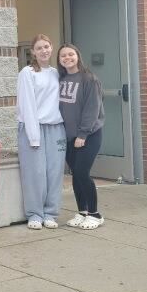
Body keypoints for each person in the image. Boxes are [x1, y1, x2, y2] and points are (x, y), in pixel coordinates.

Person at [16, 34, 66, 230]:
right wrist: (33, 136)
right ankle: (35, 214)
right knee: (35, 173)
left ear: (51, 48)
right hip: (32, 128)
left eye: (46, 46)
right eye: (39, 48)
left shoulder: (56, 73)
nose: (44, 51)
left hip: (55, 129)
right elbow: (27, 105)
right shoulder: (27, 73)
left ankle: (50, 213)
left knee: (54, 173)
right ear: (33, 52)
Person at [58, 43, 105, 229]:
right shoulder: (60, 79)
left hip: (88, 135)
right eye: (63, 55)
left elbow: (92, 109)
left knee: (83, 173)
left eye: (71, 54)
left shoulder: (89, 79)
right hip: (69, 136)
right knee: (76, 175)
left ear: (78, 55)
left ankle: (95, 214)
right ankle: (82, 211)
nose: (67, 58)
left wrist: (83, 134)